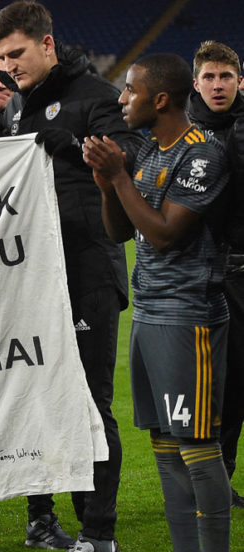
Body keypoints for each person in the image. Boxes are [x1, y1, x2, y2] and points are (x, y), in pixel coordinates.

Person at [0, 2, 142, 552]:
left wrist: (71, 144)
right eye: (2, 57)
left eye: (17, 54)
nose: (10, 66)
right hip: (37, 273)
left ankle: (101, 543)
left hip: (87, 265)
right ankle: (85, 541)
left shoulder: (95, 94)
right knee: (58, 406)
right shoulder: (19, 103)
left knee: (91, 406)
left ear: (47, 45)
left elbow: (130, 161)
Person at [84, 52, 233, 552]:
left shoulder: (202, 154)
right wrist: (108, 185)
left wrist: (119, 176)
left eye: (130, 90)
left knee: (198, 445)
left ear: (161, 98)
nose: (123, 99)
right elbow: (120, 232)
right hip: (148, 310)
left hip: (188, 314)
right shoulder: (149, 150)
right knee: (166, 446)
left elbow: (167, 234)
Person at [185, 41, 244, 510]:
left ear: (240, 82)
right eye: (210, 77)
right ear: (196, 82)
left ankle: (221, 480)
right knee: (205, 384)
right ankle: (205, 482)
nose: (218, 85)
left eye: (226, 77)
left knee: (238, 381)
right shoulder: (181, 132)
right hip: (199, 274)